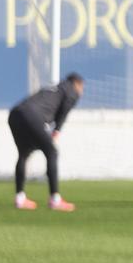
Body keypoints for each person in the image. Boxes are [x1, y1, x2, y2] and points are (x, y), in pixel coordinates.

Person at [9, 73, 83, 211]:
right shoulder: (71, 89)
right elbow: (66, 107)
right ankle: (55, 199)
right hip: (31, 115)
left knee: (23, 154)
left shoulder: (54, 88)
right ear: (77, 84)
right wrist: (57, 130)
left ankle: (20, 198)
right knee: (52, 152)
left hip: (15, 114)